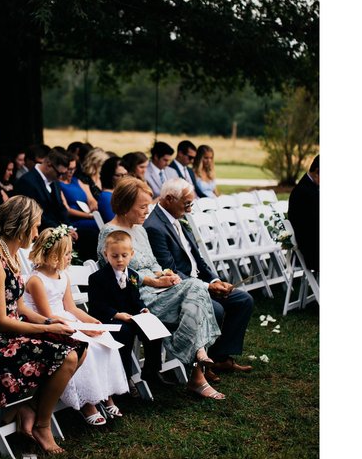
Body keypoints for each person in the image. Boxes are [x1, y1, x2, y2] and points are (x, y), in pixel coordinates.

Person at [0, 196, 87, 455]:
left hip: (11, 332)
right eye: (34, 226)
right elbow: (0, 321)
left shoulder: (11, 257)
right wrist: (47, 330)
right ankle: (42, 425)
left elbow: (20, 307)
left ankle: (30, 408)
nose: (36, 232)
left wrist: (49, 320)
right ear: (21, 225)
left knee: (80, 345)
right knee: (66, 356)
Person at [96, 178, 225, 400]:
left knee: (194, 289)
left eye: (148, 205)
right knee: (196, 289)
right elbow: (118, 275)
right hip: (136, 299)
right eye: (143, 206)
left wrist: (165, 274)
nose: (148, 211)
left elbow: (153, 264)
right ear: (126, 205)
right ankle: (195, 358)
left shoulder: (140, 230)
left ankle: (193, 363)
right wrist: (154, 282)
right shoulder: (110, 233)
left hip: (160, 292)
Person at [144, 178, 255, 374]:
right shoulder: (154, 227)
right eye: (186, 203)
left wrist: (215, 280)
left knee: (243, 300)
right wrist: (206, 287)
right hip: (181, 290)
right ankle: (203, 364)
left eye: (191, 203)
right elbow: (169, 270)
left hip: (200, 282)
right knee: (217, 309)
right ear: (169, 199)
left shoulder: (177, 218)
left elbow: (198, 259)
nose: (189, 208)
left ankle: (221, 357)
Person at [23, 225, 128, 425]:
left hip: (67, 319)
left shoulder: (63, 276)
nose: (71, 257)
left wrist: (91, 321)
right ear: (53, 256)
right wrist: (81, 328)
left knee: (103, 340)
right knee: (86, 347)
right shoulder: (37, 280)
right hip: (50, 325)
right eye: (67, 253)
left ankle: (105, 396)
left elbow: (71, 307)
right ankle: (88, 402)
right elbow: (49, 316)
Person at [89, 229, 172, 398]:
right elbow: (97, 306)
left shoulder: (132, 275)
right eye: (115, 256)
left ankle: (151, 370)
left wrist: (142, 309)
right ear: (106, 254)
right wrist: (118, 315)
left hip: (131, 317)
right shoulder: (97, 278)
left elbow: (135, 299)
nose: (120, 260)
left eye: (124, 255)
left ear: (131, 254)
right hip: (109, 319)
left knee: (154, 328)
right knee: (124, 334)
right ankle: (124, 379)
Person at [13, 148, 79, 238]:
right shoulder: (27, 182)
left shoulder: (54, 180)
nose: (60, 177)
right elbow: (36, 215)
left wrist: (70, 227)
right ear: (49, 164)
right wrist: (62, 231)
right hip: (38, 233)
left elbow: (60, 207)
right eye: (59, 174)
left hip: (57, 229)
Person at [55, 154, 100, 260]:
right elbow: (67, 210)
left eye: (74, 169)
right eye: (69, 169)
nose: (71, 172)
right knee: (96, 227)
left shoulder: (77, 181)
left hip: (89, 213)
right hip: (76, 220)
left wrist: (93, 206)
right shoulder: (58, 184)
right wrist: (89, 216)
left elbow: (90, 198)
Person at [286, 154, 319, 275]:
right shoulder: (303, 191)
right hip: (312, 248)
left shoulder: (312, 188)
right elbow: (311, 226)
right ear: (317, 171)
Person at [96, 156, 128, 223]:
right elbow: (113, 221)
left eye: (125, 174)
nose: (124, 178)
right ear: (110, 176)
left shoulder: (124, 191)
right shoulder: (106, 197)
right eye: (119, 175)